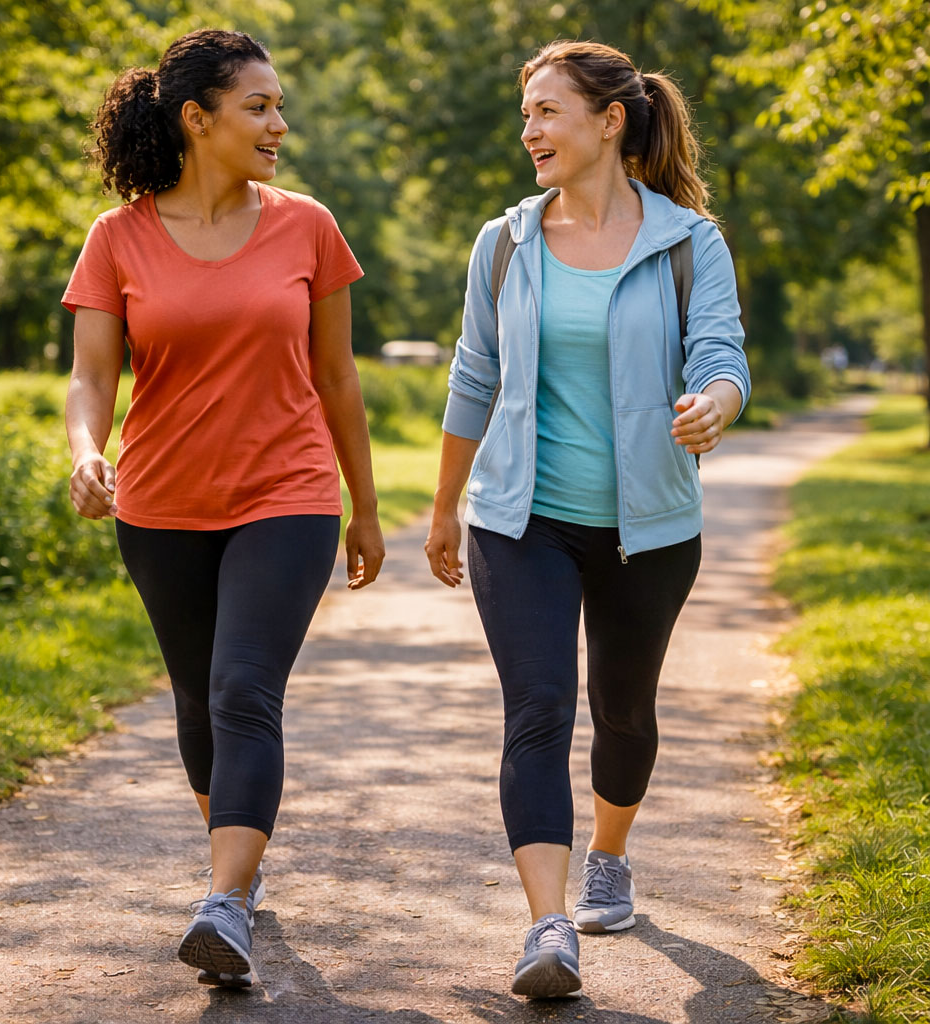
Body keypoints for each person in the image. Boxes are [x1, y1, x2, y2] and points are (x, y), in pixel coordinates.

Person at [424, 40, 749, 1000]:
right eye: (525, 114)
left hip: (648, 527)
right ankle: (548, 924)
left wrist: (715, 405)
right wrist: (443, 507)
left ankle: (610, 855)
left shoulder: (688, 242)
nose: (529, 131)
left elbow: (722, 352)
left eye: (546, 112)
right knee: (536, 709)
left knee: (624, 710)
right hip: (519, 520)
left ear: (609, 121)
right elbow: (474, 373)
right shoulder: (506, 242)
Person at [63, 28, 384, 990]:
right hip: (160, 502)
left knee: (245, 688)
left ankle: (225, 900)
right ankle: (232, 867)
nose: (279, 125)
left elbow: (337, 378)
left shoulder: (308, 226)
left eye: (280, 106)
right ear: (197, 119)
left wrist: (365, 507)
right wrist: (86, 451)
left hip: (287, 494)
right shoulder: (116, 237)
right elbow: (91, 378)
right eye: (260, 107)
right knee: (199, 698)